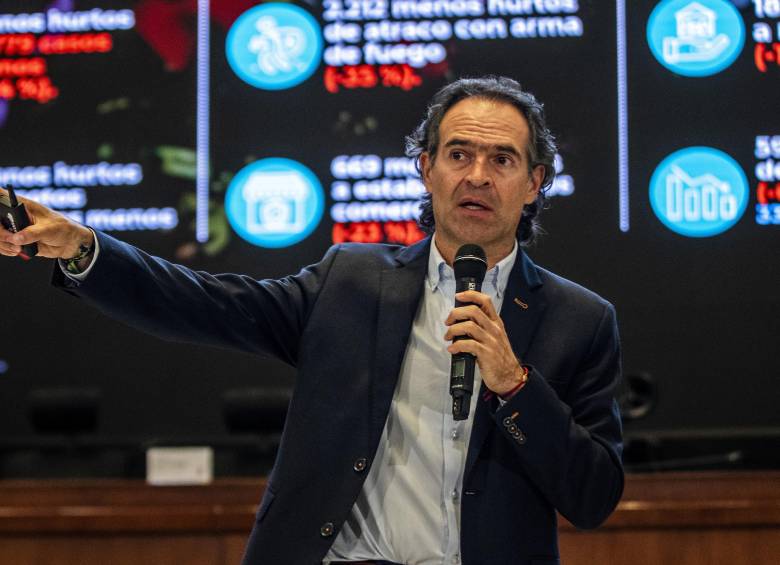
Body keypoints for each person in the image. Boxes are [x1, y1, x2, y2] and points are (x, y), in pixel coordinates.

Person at [0, 76, 623, 565]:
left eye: (503, 160)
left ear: (535, 182)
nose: (477, 176)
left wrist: (515, 385)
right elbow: (207, 302)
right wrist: (86, 248)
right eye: (458, 154)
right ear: (426, 169)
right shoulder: (352, 280)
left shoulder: (579, 320)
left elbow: (593, 496)